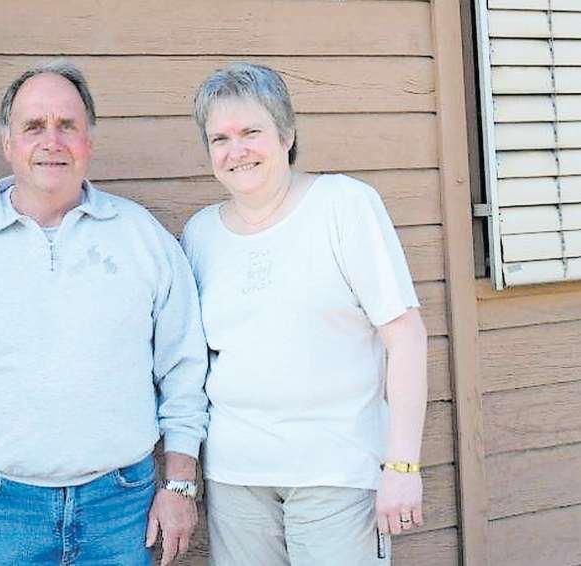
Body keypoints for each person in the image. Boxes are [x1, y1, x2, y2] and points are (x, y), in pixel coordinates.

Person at [0, 60, 208, 566]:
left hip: (124, 505)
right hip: (1, 510)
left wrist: (181, 484)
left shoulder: (142, 237)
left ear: (88, 142)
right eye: (34, 126)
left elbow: (184, 367)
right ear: (7, 144)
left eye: (67, 125)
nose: (51, 141)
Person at [181, 63, 428, 565]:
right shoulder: (200, 235)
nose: (236, 150)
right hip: (236, 477)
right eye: (220, 138)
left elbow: (405, 337)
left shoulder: (344, 205)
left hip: (336, 471)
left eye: (251, 132)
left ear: (287, 134)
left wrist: (403, 466)